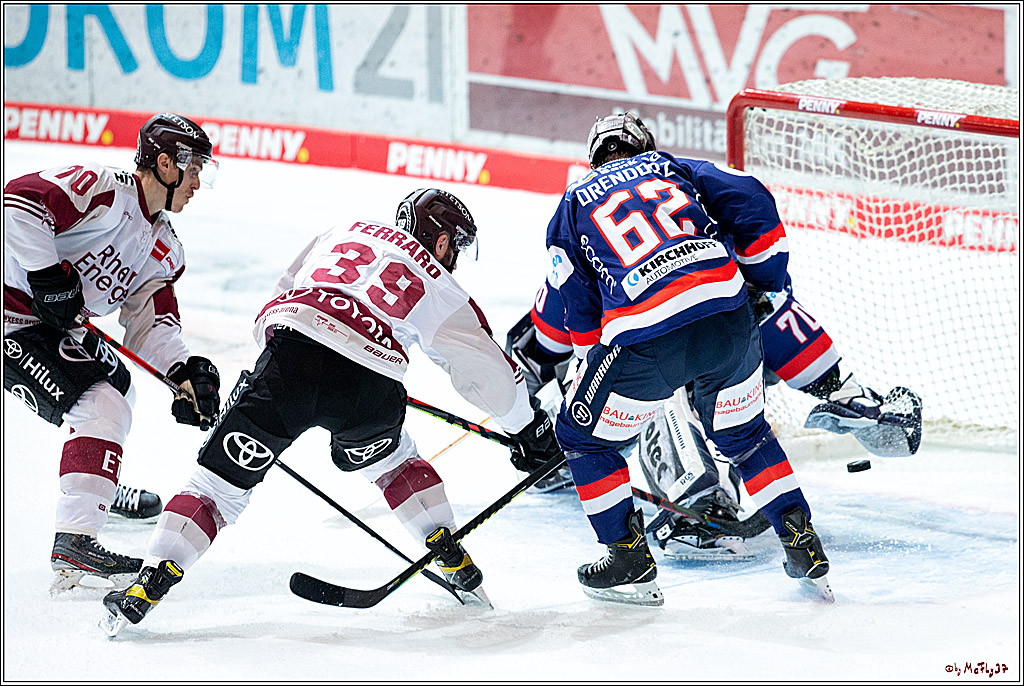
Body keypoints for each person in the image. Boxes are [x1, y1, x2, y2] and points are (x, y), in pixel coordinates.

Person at [100, 188, 562, 633]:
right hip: (369, 391)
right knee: (396, 462)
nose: (454, 259)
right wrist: (525, 427)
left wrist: (274, 374)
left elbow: (278, 298)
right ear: (441, 240)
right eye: (455, 248)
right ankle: (447, 550)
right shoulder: (437, 278)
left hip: (288, 366)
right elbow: (484, 366)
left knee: (215, 488)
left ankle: (149, 584)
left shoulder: (344, 229)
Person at [544, 111, 834, 606]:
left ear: (594, 157)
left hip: (648, 338)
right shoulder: (674, 167)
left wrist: (587, 368)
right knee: (746, 436)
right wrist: (765, 280)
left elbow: (579, 303)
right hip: (731, 320)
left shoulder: (573, 202)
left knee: (582, 439)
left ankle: (628, 558)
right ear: (644, 145)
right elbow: (751, 197)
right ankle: (801, 539)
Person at [506, 268, 923, 559]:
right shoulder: (699, 228)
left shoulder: (597, 234)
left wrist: (525, 424)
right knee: (669, 379)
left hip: (685, 360)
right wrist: (533, 428)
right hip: (638, 379)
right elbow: (532, 349)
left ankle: (702, 498)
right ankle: (699, 496)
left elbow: (529, 348)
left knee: (676, 375)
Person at [3, 113, 223, 591]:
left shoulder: (163, 244)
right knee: (102, 403)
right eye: (195, 170)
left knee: (120, 388)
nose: (199, 183)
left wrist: (183, 371)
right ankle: (75, 540)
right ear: (165, 164)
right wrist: (44, 274)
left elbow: (150, 321)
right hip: (9, 313)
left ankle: (97, 490)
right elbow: (17, 205)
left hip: (45, 324)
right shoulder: (103, 189)